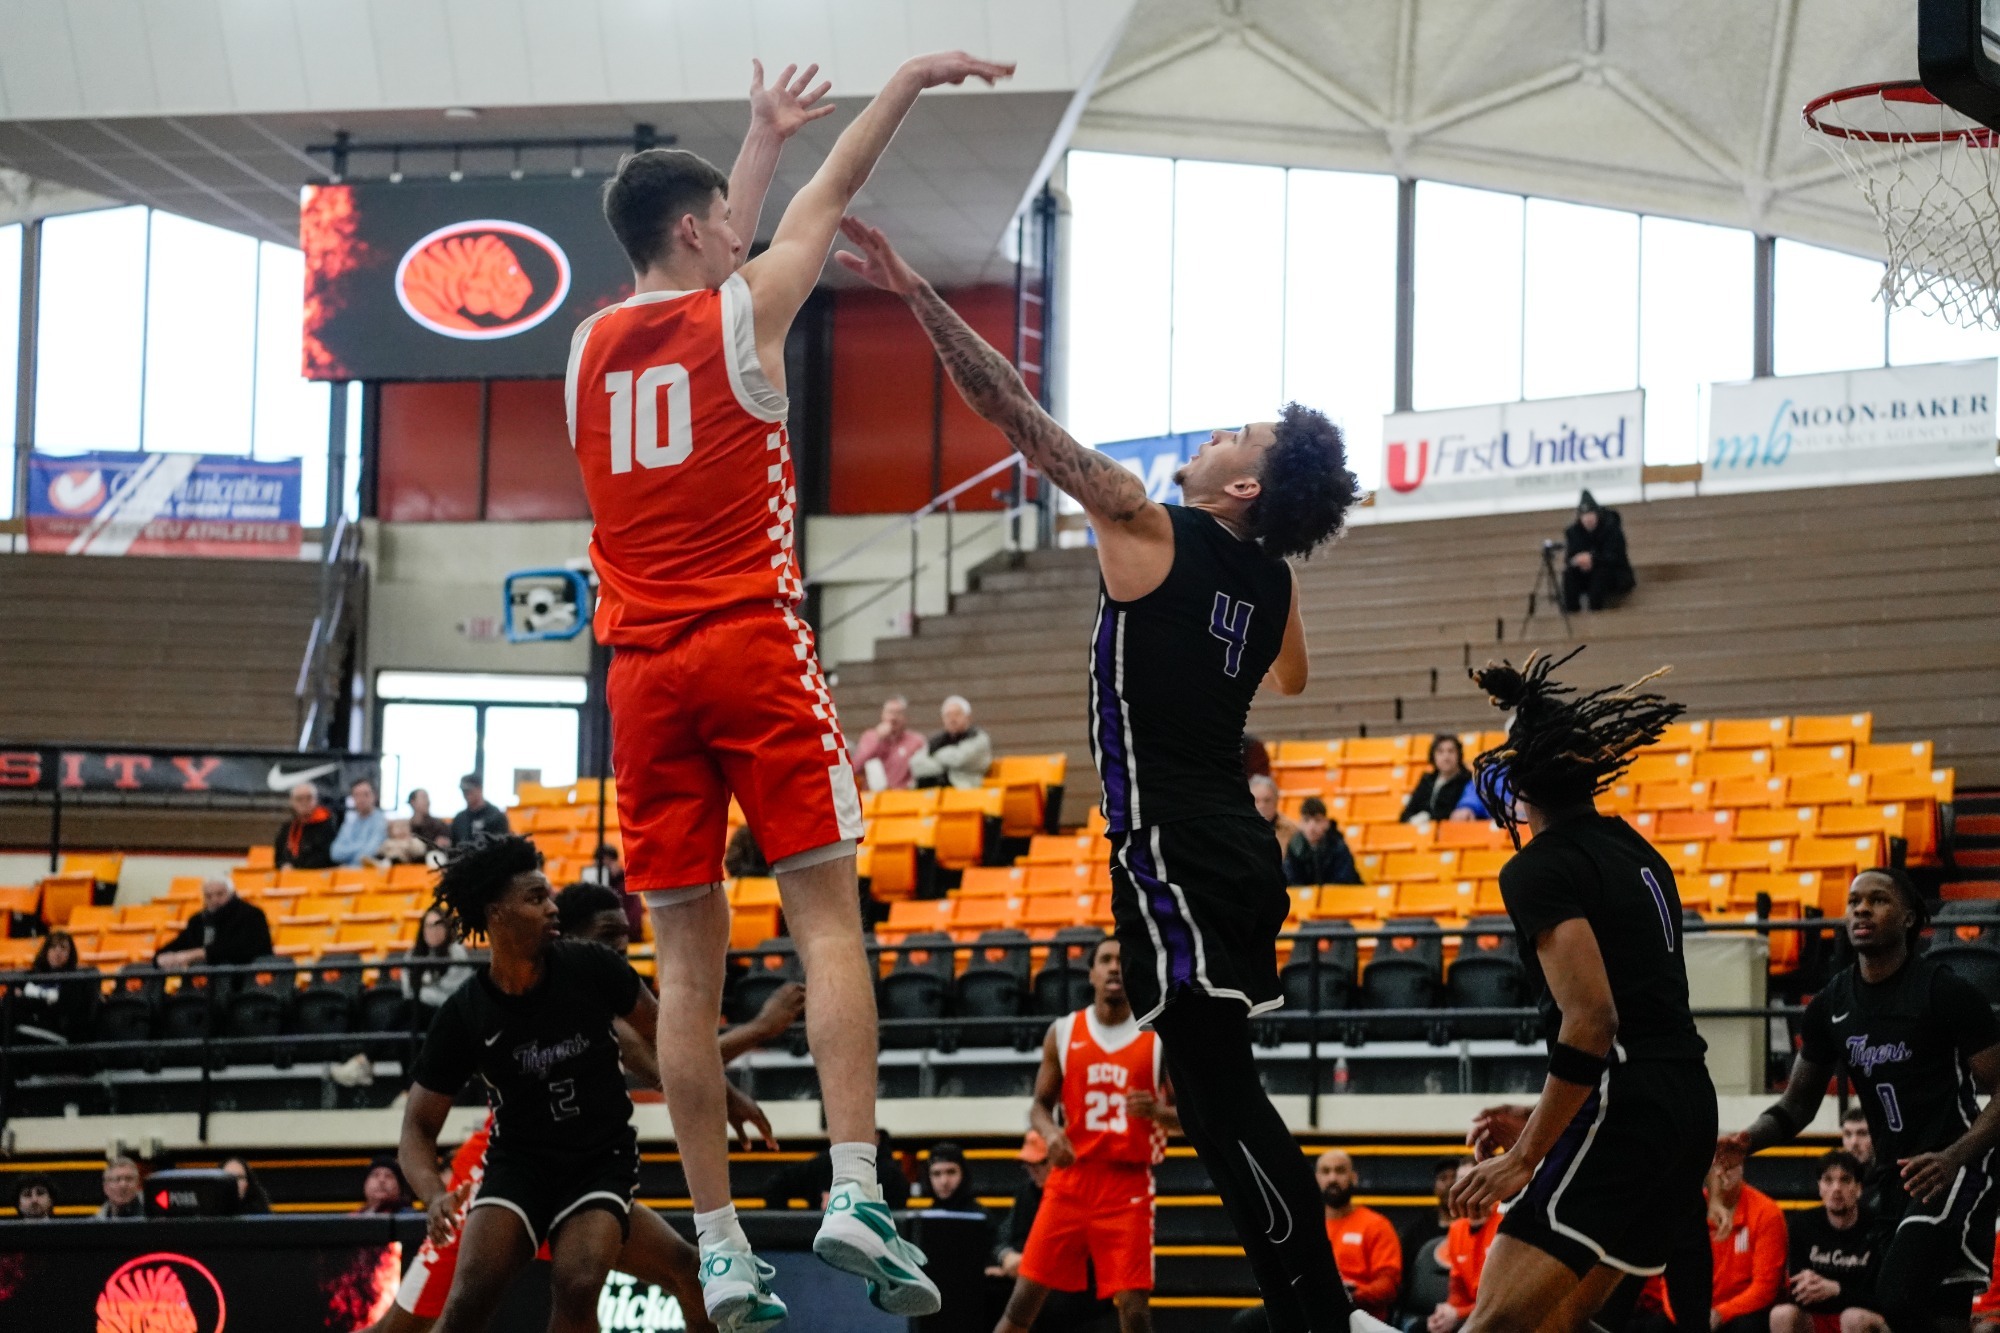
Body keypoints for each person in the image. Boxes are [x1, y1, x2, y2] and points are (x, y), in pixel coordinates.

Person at [834, 217, 1381, 1333]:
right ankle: (1309, 1306)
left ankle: (1316, 1312)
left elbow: (1011, 413)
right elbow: (1287, 680)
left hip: (1171, 849)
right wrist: (1273, 543)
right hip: (1232, 849)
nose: (1221, 430)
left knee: (1224, 1108)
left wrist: (908, 286)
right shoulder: (1269, 582)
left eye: (1239, 432)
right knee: (1224, 1097)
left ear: (1239, 489)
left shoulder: (1152, 527)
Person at [567, 48, 1011, 1326]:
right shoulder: (743, 309)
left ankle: (716, 1241)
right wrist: (911, 79)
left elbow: (718, 240)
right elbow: (838, 182)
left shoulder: (588, 346)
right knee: (823, 919)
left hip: (639, 677)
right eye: (726, 222)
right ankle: (856, 1186)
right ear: (704, 229)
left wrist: (750, 141)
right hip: (748, 643)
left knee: (686, 974)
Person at [376, 865, 793, 1333]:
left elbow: (674, 1055)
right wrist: (757, 1032)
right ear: (567, 935)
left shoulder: (596, 983)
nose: (621, 944)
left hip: (591, 1166)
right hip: (495, 1172)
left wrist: (728, 1093)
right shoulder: (485, 1005)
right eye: (606, 933)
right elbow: (665, 1067)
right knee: (417, 1322)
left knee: (662, 1274)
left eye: (624, 933)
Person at [1446, 649, 1715, 1333]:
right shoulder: (1637, 849)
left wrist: (1523, 1157)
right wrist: (1540, 1113)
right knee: (1558, 1326)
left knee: (1493, 1325)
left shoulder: (1538, 868)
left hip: (1626, 1108)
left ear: (1512, 776)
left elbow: (1593, 1018)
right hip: (1686, 1104)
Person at [396, 835, 669, 1333]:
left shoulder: (592, 967)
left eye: (550, 896)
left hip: (597, 1162)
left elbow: (671, 1044)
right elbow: (416, 1127)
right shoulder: (465, 1012)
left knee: (580, 1281)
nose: (551, 907)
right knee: (468, 1298)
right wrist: (434, 1193)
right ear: (497, 913)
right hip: (518, 1164)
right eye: (535, 898)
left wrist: (728, 1093)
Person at [1716, 865, 2000, 1333]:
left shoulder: (1943, 991)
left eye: (1878, 899)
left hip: (1956, 1165)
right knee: (1938, 1309)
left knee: (1896, 1292)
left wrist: (1953, 1157)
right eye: (1853, 902)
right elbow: (1797, 1104)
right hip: (1893, 1174)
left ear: (1909, 918)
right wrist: (1748, 1140)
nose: (1862, 908)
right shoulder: (1832, 1002)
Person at [998, 936, 1176, 1333]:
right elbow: (1039, 1105)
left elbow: (1193, 1118)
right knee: (1023, 1301)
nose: (1115, 967)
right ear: (1092, 973)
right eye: (1106, 960)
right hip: (1071, 1179)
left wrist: (1160, 1113)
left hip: (1127, 1184)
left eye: (1122, 960)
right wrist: (1049, 1134)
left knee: (1134, 1308)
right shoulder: (1062, 1031)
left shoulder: (1159, 1037)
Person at [1772, 1151, 1882, 1333]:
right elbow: (1798, 1291)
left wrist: (1837, 1290)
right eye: (1828, 1180)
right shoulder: (1802, 1224)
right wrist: (1810, 1287)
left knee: (1853, 1317)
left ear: (1859, 1188)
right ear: (1820, 1188)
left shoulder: (1877, 1226)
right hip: (1818, 1316)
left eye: (1845, 1180)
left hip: (1864, 1318)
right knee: (1781, 1314)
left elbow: (1881, 1299)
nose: (1836, 1188)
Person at [1314, 1150, 1401, 1322]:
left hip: (1362, 1319)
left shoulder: (1376, 1225)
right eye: (1326, 1171)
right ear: (1316, 1178)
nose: (1332, 1178)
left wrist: (1350, 1295)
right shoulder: (1307, 1227)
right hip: (1315, 1316)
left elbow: (1388, 1286)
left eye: (1340, 1171)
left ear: (1354, 1177)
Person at [1705, 1155, 1786, 1332]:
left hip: (1744, 1311)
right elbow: (1670, 1278)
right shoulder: (1690, 1210)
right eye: (1715, 1168)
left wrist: (1721, 1313)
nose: (1721, 1174)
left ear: (1742, 1168)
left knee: (1746, 1327)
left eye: (1729, 1168)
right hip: (1697, 1308)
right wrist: (1682, 1315)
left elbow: (1765, 1287)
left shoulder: (1766, 1212)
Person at [1431, 1161, 1503, 1333]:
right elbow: (1458, 1292)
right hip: (1470, 1315)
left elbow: (1504, 1300)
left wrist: (1458, 1313)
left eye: (1474, 1181)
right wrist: (1446, 1312)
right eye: (1462, 1181)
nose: (1467, 1189)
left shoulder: (1506, 1222)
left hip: (1502, 1317)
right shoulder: (1456, 1229)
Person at [155, 877, 272, 971]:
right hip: (204, 987)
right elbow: (181, 943)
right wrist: (161, 957)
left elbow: (240, 949)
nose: (214, 900)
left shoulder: (252, 915)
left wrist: (197, 954)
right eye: (208, 896)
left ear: (232, 894)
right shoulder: (198, 921)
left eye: (220, 894)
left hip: (246, 984)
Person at [15, 930, 97, 1047]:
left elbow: (63, 1009)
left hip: (57, 1034)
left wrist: (26, 999)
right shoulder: (31, 975)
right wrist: (46, 1002)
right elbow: (12, 999)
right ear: (46, 951)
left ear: (70, 954)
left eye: (63, 948)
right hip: (26, 1026)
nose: (57, 952)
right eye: (53, 947)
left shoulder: (74, 980)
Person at [1559, 491, 1634, 614]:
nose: (1588, 518)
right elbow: (1569, 558)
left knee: (1600, 573)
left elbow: (1615, 556)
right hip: (1586, 574)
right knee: (1569, 575)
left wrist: (1593, 558)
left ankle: (1596, 610)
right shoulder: (1574, 532)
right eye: (1584, 515)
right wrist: (1578, 560)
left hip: (1613, 572)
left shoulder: (1611, 529)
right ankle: (1571, 612)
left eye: (1590, 514)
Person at [402, 907, 476, 1016]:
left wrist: (423, 993)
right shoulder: (413, 955)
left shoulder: (456, 952)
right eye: (429, 926)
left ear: (446, 928)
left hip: (447, 1013)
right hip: (417, 1010)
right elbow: (408, 991)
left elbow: (453, 993)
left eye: (438, 925)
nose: (433, 931)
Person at [909, 695, 993, 790]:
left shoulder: (978, 738)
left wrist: (934, 754)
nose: (952, 719)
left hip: (966, 788)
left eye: (957, 714)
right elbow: (916, 764)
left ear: (968, 717)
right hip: (935, 790)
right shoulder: (937, 740)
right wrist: (945, 768)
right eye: (948, 715)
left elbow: (959, 759)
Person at [1400, 1159, 1463, 1275]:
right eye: (1443, 1178)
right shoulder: (1417, 1231)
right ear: (1434, 1187)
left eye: (1455, 1177)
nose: (1450, 1184)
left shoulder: (1477, 1226)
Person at [854, 696, 928, 792]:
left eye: (898, 713)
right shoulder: (870, 737)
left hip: (906, 796)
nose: (893, 718)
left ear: (906, 718)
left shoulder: (916, 741)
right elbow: (855, 768)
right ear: (882, 715)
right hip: (875, 798)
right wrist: (877, 740)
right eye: (890, 713)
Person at [1284, 798, 1361, 887]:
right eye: (1307, 820)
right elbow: (1290, 881)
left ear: (1326, 823)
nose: (1312, 827)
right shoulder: (1294, 848)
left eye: (1317, 820)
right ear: (1300, 824)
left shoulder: (1338, 846)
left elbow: (1344, 880)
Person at [1401, 737, 1471, 825]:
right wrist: (1413, 820)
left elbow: (1452, 813)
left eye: (1451, 751)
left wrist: (1428, 818)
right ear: (1433, 756)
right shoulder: (1426, 780)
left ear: (1459, 755)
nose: (1446, 757)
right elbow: (1406, 814)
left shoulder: (1467, 780)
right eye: (1440, 752)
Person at [275, 781, 337, 869]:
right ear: (292, 802)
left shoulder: (328, 824)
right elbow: (278, 858)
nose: (304, 802)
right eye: (299, 799)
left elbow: (327, 858)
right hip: (289, 878)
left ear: (316, 800)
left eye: (309, 798)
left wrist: (296, 868)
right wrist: (284, 865)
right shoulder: (287, 828)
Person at [333, 777, 389, 867]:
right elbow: (335, 853)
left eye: (366, 794)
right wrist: (361, 845)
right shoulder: (349, 823)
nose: (361, 799)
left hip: (371, 875)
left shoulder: (382, 822)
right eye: (357, 795)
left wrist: (349, 854)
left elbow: (368, 854)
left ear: (374, 796)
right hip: (349, 875)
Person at [448, 775, 510, 848]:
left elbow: (502, 845)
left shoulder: (496, 816)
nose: (466, 794)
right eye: (463, 791)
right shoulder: (459, 818)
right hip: (462, 858)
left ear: (480, 789)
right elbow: (454, 844)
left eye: (469, 790)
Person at [1250, 774, 1303, 852]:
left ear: (1276, 801)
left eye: (1267, 800)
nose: (1262, 806)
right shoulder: (1240, 829)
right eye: (1256, 801)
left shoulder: (1292, 830)